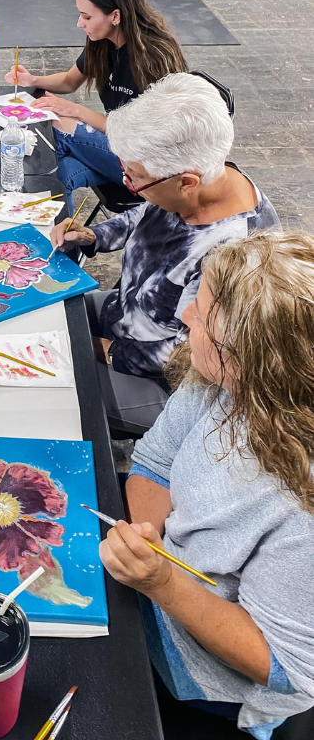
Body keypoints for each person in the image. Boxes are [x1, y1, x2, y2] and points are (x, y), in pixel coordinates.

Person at [99, 230, 314, 737]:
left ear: (252, 355)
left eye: (204, 312)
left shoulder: (301, 508)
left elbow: (283, 666)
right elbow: (154, 461)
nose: (185, 315)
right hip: (156, 587)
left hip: (202, 680)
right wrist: (146, 542)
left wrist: (159, 582)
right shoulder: (223, 385)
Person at [50, 73, 280, 433]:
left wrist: (104, 350)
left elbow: (183, 354)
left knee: (52, 377)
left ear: (187, 181)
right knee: (48, 310)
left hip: (167, 384)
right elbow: (145, 212)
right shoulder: (200, 178)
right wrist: (92, 235)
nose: (129, 186)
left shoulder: (236, 254)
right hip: (130, 313)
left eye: (135, 178)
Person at [5, 0, 187, 212]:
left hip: (150, 165)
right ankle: (62, 246)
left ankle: (11, 186)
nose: (80, 23)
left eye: (86, 16)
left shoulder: (154, 58)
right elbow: (70, 80)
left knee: (58, 126)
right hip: (117, 147)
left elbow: (146, 136)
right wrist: (33, 80)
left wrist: (78, 111)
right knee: (56, 176)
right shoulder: (103, 41)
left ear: (115, 15)